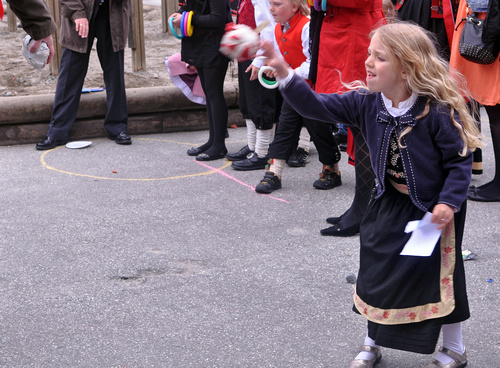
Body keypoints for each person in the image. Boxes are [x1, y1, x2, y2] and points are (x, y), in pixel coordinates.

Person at [260, 21, 482, 368]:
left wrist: (447, 203)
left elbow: (459, 163)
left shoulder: (436, 110)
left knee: (440, 277)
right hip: (389, 201)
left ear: (407, 69)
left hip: (432, 209)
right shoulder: (365, 103)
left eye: (379, 57)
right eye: (368, 54)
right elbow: (314, 105)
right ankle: (372, 342)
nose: (367, 62)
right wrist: (283, 70)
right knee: (376, 271)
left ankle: (454, 348)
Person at [310, 1, 385, 237]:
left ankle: (362, 208)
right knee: (354, 117)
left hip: (356, 30)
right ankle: (360, 205)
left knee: (360, 116)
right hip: (339, 28)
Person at [255, 0, 342, 194]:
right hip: (294, 87)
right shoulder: (278, 28)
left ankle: (331, 168)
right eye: (270, 3)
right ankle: (274, 172)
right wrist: (273, 68)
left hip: (312, 89)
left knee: (318, 128)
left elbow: (313, 63)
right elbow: (282, 59)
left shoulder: (307, 25)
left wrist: (287, 72)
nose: (271, 8)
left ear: (294, 7)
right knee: (285, 127)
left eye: (277, 4)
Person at [35, 0, 131, 150]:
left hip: (113, 12)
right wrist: (77, 12)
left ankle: (118, 126)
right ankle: (58, 131)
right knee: (70, 75)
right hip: (79, 11)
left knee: (115, 75)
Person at [450, 0, 500, 202]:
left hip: (487, 19)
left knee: (495, 106)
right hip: (484, 16)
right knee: (493, 106)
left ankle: (499, 184)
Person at [225, 0, 280, 171]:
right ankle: (252, 145)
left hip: (260, 55)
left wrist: (260, 59)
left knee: (261, 103)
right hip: (249, 52)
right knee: (248, 102)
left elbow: (269, 27)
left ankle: (262, 152)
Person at [175, 0, 232, 161]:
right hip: (200, 42)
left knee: (214, 92)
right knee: (209, 92)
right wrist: (180, 13)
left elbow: (217, 18)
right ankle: (213, 141)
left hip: (214, 44)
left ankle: (219, 145)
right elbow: (193, 6)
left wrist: (187, 19)